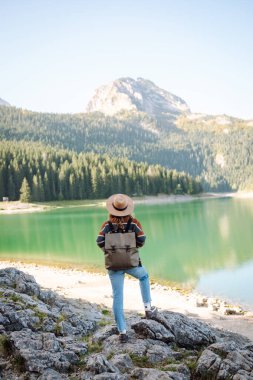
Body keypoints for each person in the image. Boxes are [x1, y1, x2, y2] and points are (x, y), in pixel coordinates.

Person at [96, 193, 157, 343]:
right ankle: (148, 309)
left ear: (112, 209)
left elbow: (99, 241)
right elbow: (142, 239)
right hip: (131, 263)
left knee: (118, 297)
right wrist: (132, 248)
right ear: (127, 209)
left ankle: (122, 332)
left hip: (114, 266)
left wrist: (110, 251)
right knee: (143, 276)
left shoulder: (106, 225)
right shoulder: (134, 223)